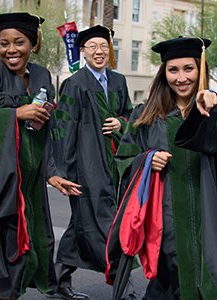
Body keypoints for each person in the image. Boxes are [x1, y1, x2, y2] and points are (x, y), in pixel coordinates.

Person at [111, 37, 217, 300]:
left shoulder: (210, 113)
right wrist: (146, 160)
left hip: (204, 217)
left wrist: (211, 100)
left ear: (200, 70)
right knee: (170, 281)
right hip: (162, 220)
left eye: (189, 69)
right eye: (173, 70)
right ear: (164, 74)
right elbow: (123, 160)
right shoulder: (146, 116)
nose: (181, 77)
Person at [0, 12, 68, 299]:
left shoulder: (42, 76)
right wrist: (15, 114)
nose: (11, 50)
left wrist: (52, 172)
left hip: (30, 180)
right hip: (1, 179)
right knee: (5, 241)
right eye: (4, 44)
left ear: (33, 44)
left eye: (19, 42)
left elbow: (48, 130)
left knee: (34, 240)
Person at [49, 24, 132, 300]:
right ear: (82, 52)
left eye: (103, 46)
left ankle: (59, 279)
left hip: (115, 164)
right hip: (87, 167)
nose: (99, 51)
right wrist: (62, 171)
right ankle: (124, 286)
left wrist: (120, 122)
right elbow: (64, 129)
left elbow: (130, 115)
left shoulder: (119, 81)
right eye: (92, 47)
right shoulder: (75, 83)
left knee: (79, 225)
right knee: (111, 224)